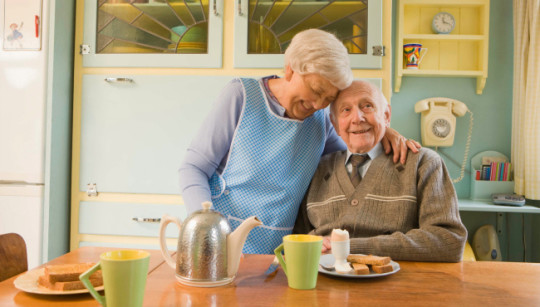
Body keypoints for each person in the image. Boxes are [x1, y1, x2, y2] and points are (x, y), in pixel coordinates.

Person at [179, 29, 419, 254]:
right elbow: (193, 168)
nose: (317, 105)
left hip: (282, 251)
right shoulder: (241, 96)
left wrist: (381, 130)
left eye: (329, 98)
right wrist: (206, 228)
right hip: (219, 243)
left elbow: (349, 154)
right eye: (315, 90)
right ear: (290, 68)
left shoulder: (321, 119)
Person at [293, 80, 467, 262]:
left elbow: (449, 241)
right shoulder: (317, 168)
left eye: (367, 106)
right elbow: (297, 239)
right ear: (335, 124)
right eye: (346, 110)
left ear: (386, 115)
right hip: (323, 282)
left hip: (395, 284)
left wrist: (347, 247)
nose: (357, 118)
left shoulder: (423, 163)